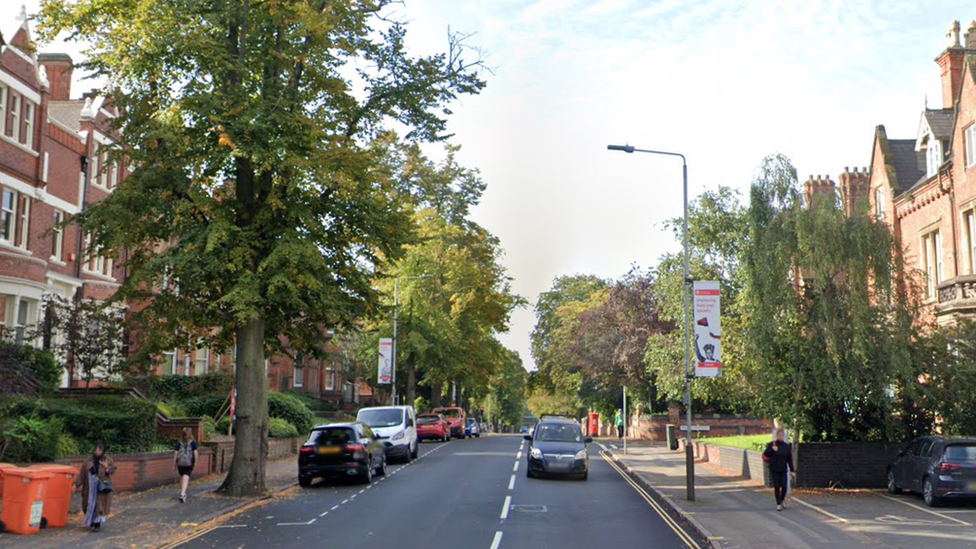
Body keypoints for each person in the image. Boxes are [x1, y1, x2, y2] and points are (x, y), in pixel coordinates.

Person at [74, 444, 116, 531]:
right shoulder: (89, 460)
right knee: (89, 504)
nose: (97, 452)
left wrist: (106, 467)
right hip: (90, 486)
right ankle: (91, 521)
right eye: (97, 450)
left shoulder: (107, 460)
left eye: (100, 451)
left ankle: (97, 524)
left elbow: (112, 471)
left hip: (101, 486)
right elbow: (82, 474)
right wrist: (76, 485)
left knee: (99, 505)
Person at [762, 429, 796, 511]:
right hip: (774, 468)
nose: (781, 437)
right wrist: (772, 450)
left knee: (784, 486)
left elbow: (789, 459)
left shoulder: (786, 446)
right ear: (777, 436)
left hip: (783, 468)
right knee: (777, 486)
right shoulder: (772, 444)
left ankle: (782, 499)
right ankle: (778, 504)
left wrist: (792, 470)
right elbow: (766, 454)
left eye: (782, 435)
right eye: (779, 435)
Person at [174, 428, 199, 503]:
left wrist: (174, 464)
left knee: (182, 477)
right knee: (186, 477)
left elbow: (176, 454)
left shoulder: (179, 443)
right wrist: (195, 462)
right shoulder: (192, 443)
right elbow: (196, 454)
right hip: (189, 463)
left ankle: (182, 492)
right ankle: (182, 494)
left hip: (180, 463)